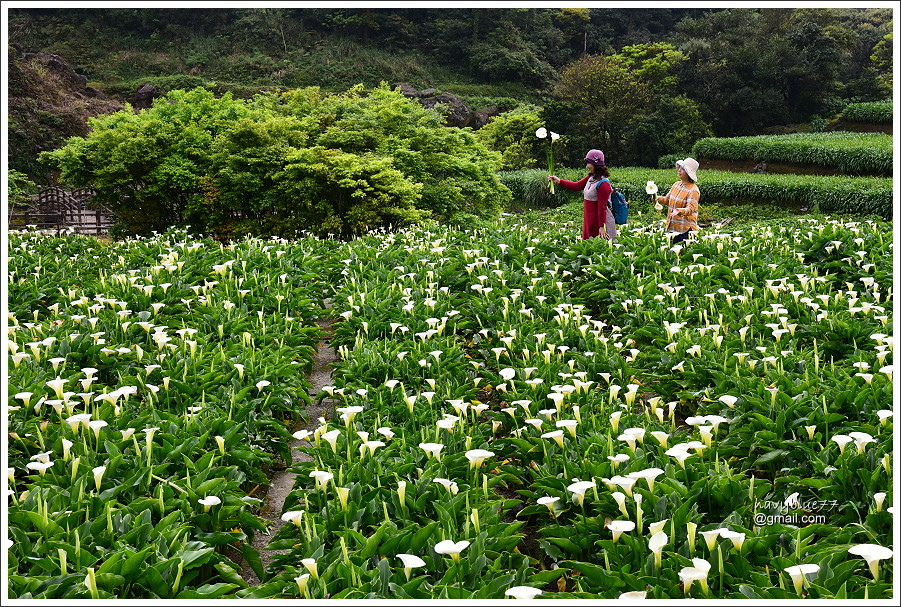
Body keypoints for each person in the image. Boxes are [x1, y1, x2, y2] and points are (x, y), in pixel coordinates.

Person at [549, 149, 616, 240]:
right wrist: (559, 181)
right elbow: (576, 186)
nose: (587, 166)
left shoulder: (604, 184)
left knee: (600, 249)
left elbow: (602, 207)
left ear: (596, 164)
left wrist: (601, 227)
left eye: (589, 163)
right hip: (590, 219)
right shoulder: (591, 177)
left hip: (600, 222)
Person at [655, 157, 700, 244]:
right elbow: (666, 200)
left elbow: (691, 209)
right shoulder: (676, 185)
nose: (679, 170)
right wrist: (657, 198)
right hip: (673, 227)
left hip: (685, 230)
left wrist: (679, 210)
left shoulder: (693, 190)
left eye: (682, 169)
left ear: (688, 173)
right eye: (679, 167)